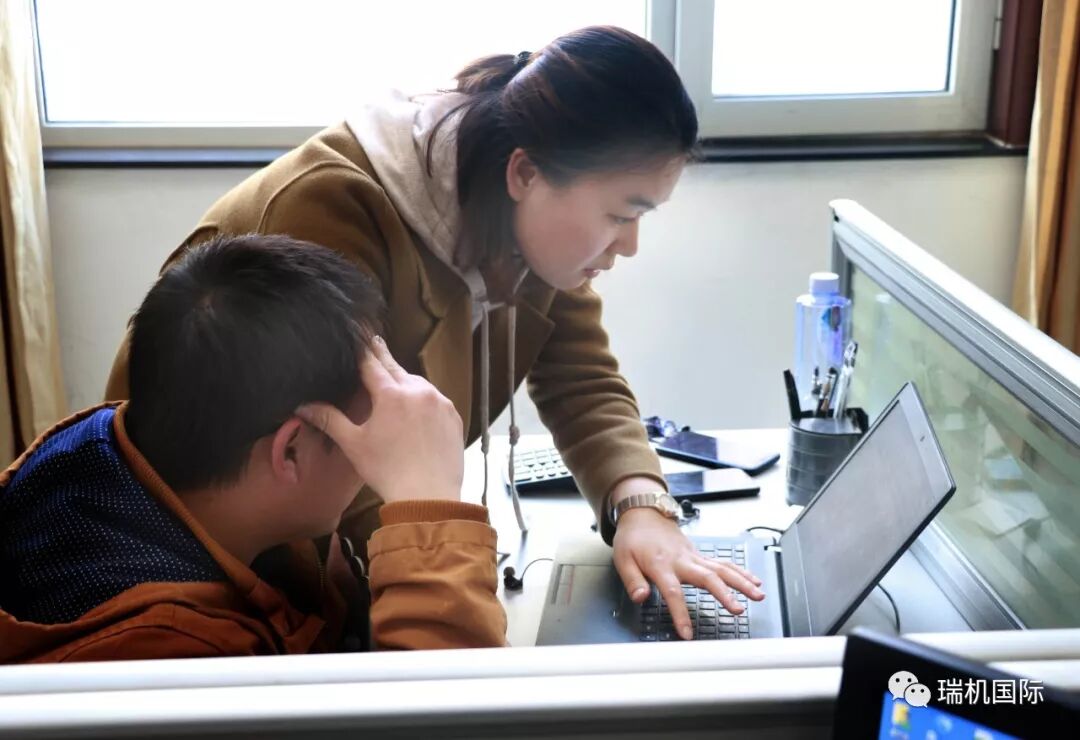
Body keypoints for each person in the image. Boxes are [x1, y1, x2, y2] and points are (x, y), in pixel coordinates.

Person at [105, 25, 763, 642]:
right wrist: (452, 594)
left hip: (332, 556)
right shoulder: (328, 210)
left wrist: (640, 505)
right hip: (212, 579)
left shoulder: (523, 223)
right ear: (525, 173)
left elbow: (582, 379)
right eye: (620, 214)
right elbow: (323, 473)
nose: (631, 245)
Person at [0, 235, 506, 663]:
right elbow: (452, 719)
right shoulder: (176, 656)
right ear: (290, 453)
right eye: (370, 419)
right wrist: (431, 509)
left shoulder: (105, 450)